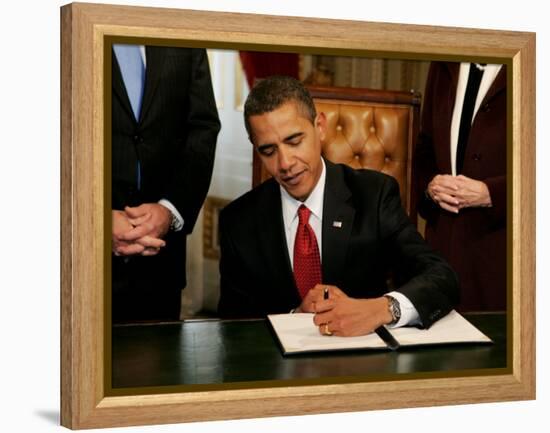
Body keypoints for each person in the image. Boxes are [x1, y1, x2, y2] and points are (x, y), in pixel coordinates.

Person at [217, 75, 458, 337]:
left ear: (320, 126)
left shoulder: (374, 195)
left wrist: (380, 309)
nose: (285, 163)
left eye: (294, 141)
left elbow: (441, 277)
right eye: (268, 151)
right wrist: (294, 317)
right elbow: (233, 329)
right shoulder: (238, 222)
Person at [111, 45, 220, 322]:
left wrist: (169, 210)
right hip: (75, 264)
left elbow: (202, 128)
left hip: (161, 264)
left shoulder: (181, 29)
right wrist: (92, 218)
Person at [413, 62, 506, 312]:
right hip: (442, 246)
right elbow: (425, 147)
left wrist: (493, 193)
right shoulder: (444, 63)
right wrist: (431, 185)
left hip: (502, 252)